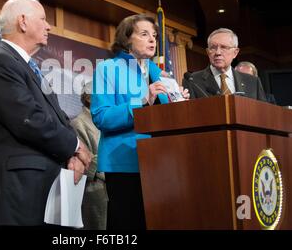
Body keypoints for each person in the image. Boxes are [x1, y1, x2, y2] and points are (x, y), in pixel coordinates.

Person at [0, 0, 92, 228]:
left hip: (45, 184)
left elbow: (58, 116)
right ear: (23, 22)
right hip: (21, 189)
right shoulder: (0, 62)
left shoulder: (28, 65)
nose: (48, 26)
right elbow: (30, 120)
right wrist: (77, 147)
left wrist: (73, 155)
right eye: (43, 19)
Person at [91, 14, 188, 230]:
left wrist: (180, 102)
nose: (152, 40)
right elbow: (101, 117)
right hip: (126, 162)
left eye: (154, 35)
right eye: (144, 34)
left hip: (162, 163)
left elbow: (169, 119)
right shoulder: (108, 68)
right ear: (127, 39)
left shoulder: (161, 74)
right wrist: (141, 102)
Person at [182, 28, 267, 101]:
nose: (218, 52)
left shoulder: (252, 81)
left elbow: (263, 114)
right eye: (213, 48)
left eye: (224, 47)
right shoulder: (193, 81)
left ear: (235, 52)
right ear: (208, 52)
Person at [71, 82, 107, 230]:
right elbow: (83, 161)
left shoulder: (105, 120)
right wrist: (111, 161)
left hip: (113, 186)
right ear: (89, 99)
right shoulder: (78, 123)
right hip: (95, 189)